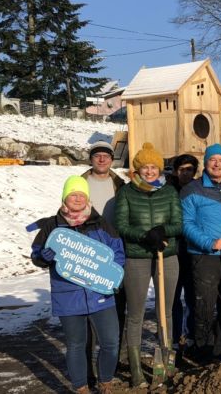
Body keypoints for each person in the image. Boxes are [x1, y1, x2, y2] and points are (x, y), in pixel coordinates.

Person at [29, 176, 124, 394]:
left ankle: (105, 382)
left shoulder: (100, 223)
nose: (78, 198)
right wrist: (45, 257)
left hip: (101, 292)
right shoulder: (52, 226)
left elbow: (117, 251)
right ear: (65, 198)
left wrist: (114, 276)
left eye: (81, 194)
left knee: (110, 342)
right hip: (68, 295)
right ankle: (81, 387)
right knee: (76, 345)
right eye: (73, 194)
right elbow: (36, 255)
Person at [114, 143, 182, 387]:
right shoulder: (126, 193)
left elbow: (178, 223)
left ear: (160, 169)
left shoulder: (170, 192)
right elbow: (121, 225)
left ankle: (166, 362)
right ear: (138, 170)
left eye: (154, 167)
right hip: (137, 257)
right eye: (145, 167)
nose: (150, 171)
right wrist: (144, 236)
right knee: (136, 313)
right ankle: (136, 369)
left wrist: (163, 230)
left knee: (166, 311)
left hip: (167, 256)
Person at [181, 143, 221, 361]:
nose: (217, 164)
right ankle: (204, 349)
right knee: (204, 304)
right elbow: (186, 224)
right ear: (206, 164)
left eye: (220, 160)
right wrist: (209, 242)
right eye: (212, 160)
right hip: (204, 256)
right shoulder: (192, 190)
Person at [81, 141, 126, 382]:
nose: (101, 160)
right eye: (97, 156)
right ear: (91, 159)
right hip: (86, 250)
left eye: (105, 156)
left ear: (111, 160)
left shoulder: (119, 184)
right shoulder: (81, 182)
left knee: (116, 306)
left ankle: (112, 361)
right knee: (88, 310)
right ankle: (87, 364)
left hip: (113, 249)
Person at [169, 154, 199, 350]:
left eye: (189, 169)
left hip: (194, 248)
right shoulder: (169, 191)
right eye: (182, 169)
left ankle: (191, 333)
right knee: (173, 295)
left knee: (192, 295)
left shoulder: (199, 190)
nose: (186, 173)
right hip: (174, 248)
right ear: (176, 171)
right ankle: (174, 334)